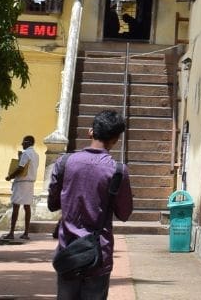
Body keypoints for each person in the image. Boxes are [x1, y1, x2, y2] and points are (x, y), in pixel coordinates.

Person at [48, 110, 133, 300]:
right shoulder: (118, 171)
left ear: (90, 132)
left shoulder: (64, 163)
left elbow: (52, 204)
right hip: (99, 254)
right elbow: (125, 213)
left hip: (68, 251)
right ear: (116, 139)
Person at [3, 134, 40, 241]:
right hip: (30, 183)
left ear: (28, 143)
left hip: (21, 182)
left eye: (23, 142)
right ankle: (26, 233)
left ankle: (11, 232)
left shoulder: (26, 153)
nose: (22, 144)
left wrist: (10, 176)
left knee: (16, 206)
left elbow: (20, 168)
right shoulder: (36, 155)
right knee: (27, 207)